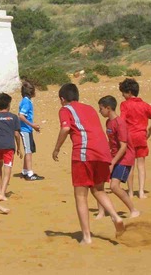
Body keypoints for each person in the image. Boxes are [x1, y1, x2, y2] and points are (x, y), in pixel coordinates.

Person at [52, 83, 125, 244]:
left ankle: (86, 236)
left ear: (62, 99)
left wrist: (56, 149)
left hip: (84, 153)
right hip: (103, 153)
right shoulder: (90, 109)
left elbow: (65, 129)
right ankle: (115, 216)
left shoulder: (65, 109)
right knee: (98, 190)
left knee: (80, 195)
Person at [96, 95, 139, 219]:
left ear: (108, 108)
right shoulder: (108, 122)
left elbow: (123, 146)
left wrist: (112, 163)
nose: (100, 111)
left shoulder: (120, 123)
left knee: (114, 186)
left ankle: (133, 210)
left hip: (124, 158)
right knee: (99, 183)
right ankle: (101, 212)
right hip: (113, 156)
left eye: (101, 109)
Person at [119, 78, 151, 199]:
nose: (122, 95)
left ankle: (131, 192)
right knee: (141, 165)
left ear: (129, 92)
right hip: (141, 137)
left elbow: (122, 121)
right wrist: (149, 130)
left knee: (130, 165)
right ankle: (141, 191)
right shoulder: (144, 105)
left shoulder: (125, 105)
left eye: (123, 92)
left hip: (129, 138)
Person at [18, 81, 44, 181]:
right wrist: (32, 125)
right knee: (28, 151)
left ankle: (25, 171)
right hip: (25, 129)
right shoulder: (26, 102)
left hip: (27, 129)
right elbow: (21, 116)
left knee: (29, 150)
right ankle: (30, 174)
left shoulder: (26, 101)